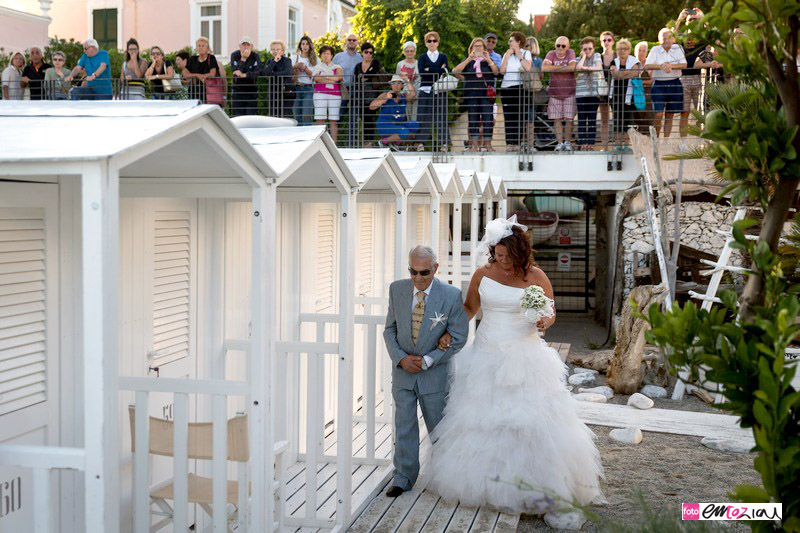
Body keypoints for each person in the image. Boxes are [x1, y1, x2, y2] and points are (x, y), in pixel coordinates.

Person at [427, 217, 605, 514]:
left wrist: (545, 320)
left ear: (520, 253)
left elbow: (550, 311)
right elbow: (470, 308)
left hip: (525, 354)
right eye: (499, 256)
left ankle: (535, 485)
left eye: (509, 256)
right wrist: (449, 333)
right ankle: (483, 482)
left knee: (527, 421)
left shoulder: (536, 276)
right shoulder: (482, 275)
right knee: (482, 419)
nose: (504, 261)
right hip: (485, 353)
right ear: (492, 252)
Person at [382, 245, 469, 498]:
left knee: (439, 429)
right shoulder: (396, 289)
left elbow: (459, 336)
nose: (418, 278)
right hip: (403, 374)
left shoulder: (451, 295)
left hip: (434, 376)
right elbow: (389, 329)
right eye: (413, 272)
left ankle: (445, 478)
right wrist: (400, 359)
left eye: (424, 272)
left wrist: (429, 360)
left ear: (435, 268)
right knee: (404, 426)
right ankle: (403, 477)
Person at [452, 37, 499, 152]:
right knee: (473, 119)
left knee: (488, 118)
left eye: (480, 46)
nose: (478, 48)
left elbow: (496, 72)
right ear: (471, 48)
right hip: (471, 93)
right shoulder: (468, 61)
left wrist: (488, 60)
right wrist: (469, 59)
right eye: (475, 46)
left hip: (486, 95)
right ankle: (474, 145)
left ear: (484, 48)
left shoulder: (488, 60)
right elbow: (455, 71)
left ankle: (487, 144)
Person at [645, 28, 687, 137]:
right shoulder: (655, 49)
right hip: (659, 84)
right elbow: (647, 65)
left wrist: (670, 66)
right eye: (664, 38)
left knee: (670, 115)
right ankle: (656, 140)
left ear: (673, 39)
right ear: (659, 40)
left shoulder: (678, 48)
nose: (667, 40)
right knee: (658, 114)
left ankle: (666, 140)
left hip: (675, 84)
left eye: (669, 38)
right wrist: (661, 66)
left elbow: (684, 64)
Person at [416, 31, 450, 151]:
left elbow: (446, 71)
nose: (431, 43)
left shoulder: (443, 56)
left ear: (438, 42)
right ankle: (420, 143)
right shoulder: (422, 57)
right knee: (423, 116)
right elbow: (421, 72)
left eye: (434, 40)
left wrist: (429, 69)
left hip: (440, 90)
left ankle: (444, 144)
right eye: (429, 41)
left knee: (441, 116)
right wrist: (437, 70)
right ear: (425, 43)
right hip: (425, 90)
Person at [499, 32, 532, 152]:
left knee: (519, 115)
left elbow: (528, 68)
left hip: (520, 87)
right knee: (508, 116)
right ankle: (509, 143)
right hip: (506, 88)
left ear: (518, 42)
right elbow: (501, 72)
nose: (509, 43)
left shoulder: (526, 53)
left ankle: (517, 143)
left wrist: (519, 55)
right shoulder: (506, 54)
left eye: (511, 40)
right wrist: (507, 56)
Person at [543, 35, 577, 151]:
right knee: (556, 119)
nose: (560, 48)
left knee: (569, 119)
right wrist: (564, 68)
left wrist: (553, 68)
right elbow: (544, 68)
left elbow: (572, 67)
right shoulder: (550, 54)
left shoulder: (571, 53)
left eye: (563, 46)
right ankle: (559, 143)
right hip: (554, 92)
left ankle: (567, 143)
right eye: (558, 45)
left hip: (570, 92)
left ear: (568, 46)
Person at [371, 74, 419, 148]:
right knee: (405, 132)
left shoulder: (404, 96)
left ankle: (395, 142)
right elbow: (372, 106)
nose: (396, 85)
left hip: (398, 125)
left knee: (415, 125)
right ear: (391, 85)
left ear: (402, 85)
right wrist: (386, 98)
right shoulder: (385, 94)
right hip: (385, 126)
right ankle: (383, 141)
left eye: (398, 83)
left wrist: (408, 81)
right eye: (393, 83)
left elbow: (413, 94)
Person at [609, 39, 641, 147]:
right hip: (616, 95)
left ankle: (627, 145)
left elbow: (635, 73)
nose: (622, 51)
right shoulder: (614, 61)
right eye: (620, 49)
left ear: (629, 50)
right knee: (617, 121)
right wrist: (627, 72)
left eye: (624, 49)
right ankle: (618, 145)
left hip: (630, 96)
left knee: (629, 121)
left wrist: (621, 73)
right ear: (617, 51)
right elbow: (615, 75)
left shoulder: (634, 61)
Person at [333, 34, 363, 145]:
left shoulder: (361, 57)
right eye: (349, 40)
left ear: (357, 42)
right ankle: (333, 143)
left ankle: (350, 144)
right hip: (341, 88)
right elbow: (332, 71)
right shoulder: (338, 56)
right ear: (346, 42)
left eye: (354, 40)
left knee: (353, 117)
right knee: (338, 115)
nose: (351, 41)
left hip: (355, 89)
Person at [574, 37, 603, 151]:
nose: (588, 51)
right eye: (585, 49)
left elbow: (598, 67)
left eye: (590, 49)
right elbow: (577, 68)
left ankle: (590, 143)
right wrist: (583, 57)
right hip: (581, 94)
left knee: (592, 119)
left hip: (593, 93)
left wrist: (585, 68)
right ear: (581, 49)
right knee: (581, 119)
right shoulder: (578, 59)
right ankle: (582, 143)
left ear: (594, 48)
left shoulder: (597, 56)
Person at [354, 42, 384, 145]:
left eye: (371, 52)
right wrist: (365, 76)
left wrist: (364, 76)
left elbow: (373, 72)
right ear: (362, 53)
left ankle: (370, 142)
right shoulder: (358, 66)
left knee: (370, 118)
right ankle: (367, 141)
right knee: (364, 119)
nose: (368, 54)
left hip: (373, 96)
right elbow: (356, 81)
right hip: (361, 96)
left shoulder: (375, 62)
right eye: (366, 52)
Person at [312, 46, 343, 143]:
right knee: (320, 119)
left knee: (333, 120)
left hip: (335, 95)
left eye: (328, 53)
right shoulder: (317, 67)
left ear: (332, 56)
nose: (326, 55)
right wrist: (331, 78)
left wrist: (324, 77)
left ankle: (334, 144)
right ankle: (320, 143)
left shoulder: (337, 67)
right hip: (319, 94)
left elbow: (338, 77)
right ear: (321, 55)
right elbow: (317, 79)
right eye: (323, 53)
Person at [230, 36, 262, 116]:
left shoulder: (256, 56)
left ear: (252, 46)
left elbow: (258, 72)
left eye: (248, 45)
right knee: (237, 117)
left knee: (250, 117)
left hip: (251, 91)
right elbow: (235, 71)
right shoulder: (234, 55)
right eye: (244, 45)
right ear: (240, 46)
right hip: (238, 91)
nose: (246, 47)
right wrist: (243, 59)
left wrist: (245, 75)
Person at [263, 40, 293, 117]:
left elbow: (288, 73)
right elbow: (265, 73)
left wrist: (273, 74)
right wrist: (274, 61)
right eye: (273, 49)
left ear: (282, 51)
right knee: (273, 115)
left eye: (278, 49)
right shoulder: (270, 61)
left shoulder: (287, 61)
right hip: (273, 92)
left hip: (286, 92)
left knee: (286, 116)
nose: (275, 51)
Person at [183, 37, 219, 101]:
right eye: (199, 46)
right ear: (196, 48)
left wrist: (202, 76)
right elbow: (185, 74)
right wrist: (197, 75)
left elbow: (212, 74)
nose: (201, 47)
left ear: (207, 48)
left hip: (208, 91)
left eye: (203, 46)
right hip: (193, 92)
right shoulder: (192, 59)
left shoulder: (211, 58)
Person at [292, 36, 317, 125]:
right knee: (297, 117)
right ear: (300, 46)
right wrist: (295, 66)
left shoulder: (315, 59)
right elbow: (288, 72)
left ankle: (308, 138)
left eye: (307, 44)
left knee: (307, 117)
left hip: (308, 89)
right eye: (303, 44)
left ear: (310, 46)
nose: (305, 46)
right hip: (296, 88)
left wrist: (305, 69)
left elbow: (316, 76)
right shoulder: (294, 58)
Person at [598, 31, 616, 149]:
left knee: (617, 118)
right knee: (604, 120)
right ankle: (604, 147)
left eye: (609, 40)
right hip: (602, 91)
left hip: (616, 90)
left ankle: (616, 145)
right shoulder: (598, 57)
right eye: (604, 40)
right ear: (601, 42)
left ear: (613, 42)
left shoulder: (617, 56)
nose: (606, 42)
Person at [395, 41, 420, 121]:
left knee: (415, 118)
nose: (409, 53)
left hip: (417, 94)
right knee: (406, 119)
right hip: (405, 95)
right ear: (404, 52)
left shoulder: (419, 63)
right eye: (407, 51)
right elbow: (397, 79)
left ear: (415, 52)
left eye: (412, 51)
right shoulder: (400, 64)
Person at [633, 41, 653, 132]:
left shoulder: (649, 64)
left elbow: (651, 81)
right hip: (635, 95)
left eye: (643, 50)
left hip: (648, 95)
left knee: (649, 118)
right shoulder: (632, 63)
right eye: (639, 50)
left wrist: (638, 83)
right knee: (636, 119)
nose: (641, 52)